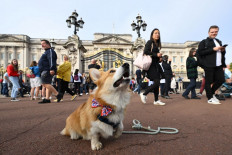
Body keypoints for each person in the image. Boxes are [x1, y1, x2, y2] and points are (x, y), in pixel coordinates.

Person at [198, 25, 226, 104]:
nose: (214, 33)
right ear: (208, 32)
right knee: (208, 81)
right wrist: (213, 49)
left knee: (221, 80)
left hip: (219, 65)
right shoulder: (204, 42)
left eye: (216, 32)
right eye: (212, 32)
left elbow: (221, 55)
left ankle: (211, 93)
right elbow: (200, 52)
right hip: (209, 64)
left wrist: (223, 50)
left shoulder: (219, 41)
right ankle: (210, 98)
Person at [139, 28, 165, 106]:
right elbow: (146, 51)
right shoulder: (150, 42)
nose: (157, 34)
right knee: (157, 82)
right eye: (155, 33)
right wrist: (156, 54)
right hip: (150, 66)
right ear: (152, 35)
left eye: (158, 33)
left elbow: (154, 56)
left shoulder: (157, 45)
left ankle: (156, 100)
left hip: (155, 65)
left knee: (156, 82)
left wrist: (159, 58)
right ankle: (144, 93)